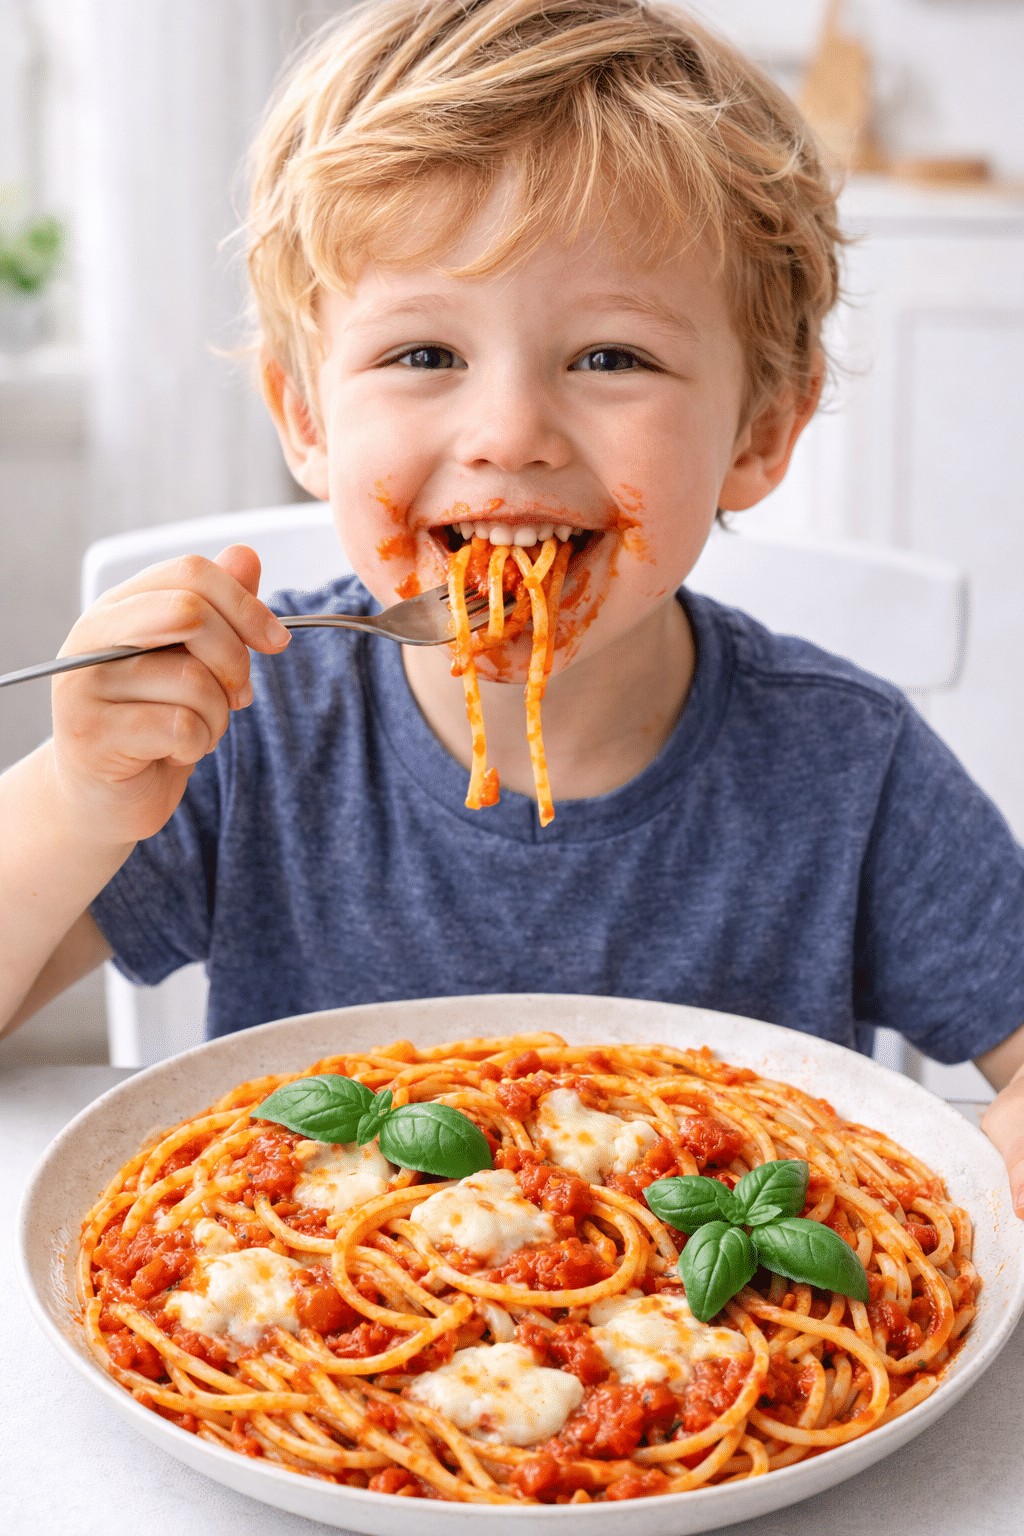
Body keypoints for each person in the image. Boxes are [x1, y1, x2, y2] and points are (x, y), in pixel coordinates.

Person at [2, 0, 1022, 1213]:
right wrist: (77, 795)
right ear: (307, 422)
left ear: (757, 433)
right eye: (425, 355)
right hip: (300, 1336)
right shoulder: (250, 727)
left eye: (609, 358)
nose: (508, 437)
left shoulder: (846, 765)